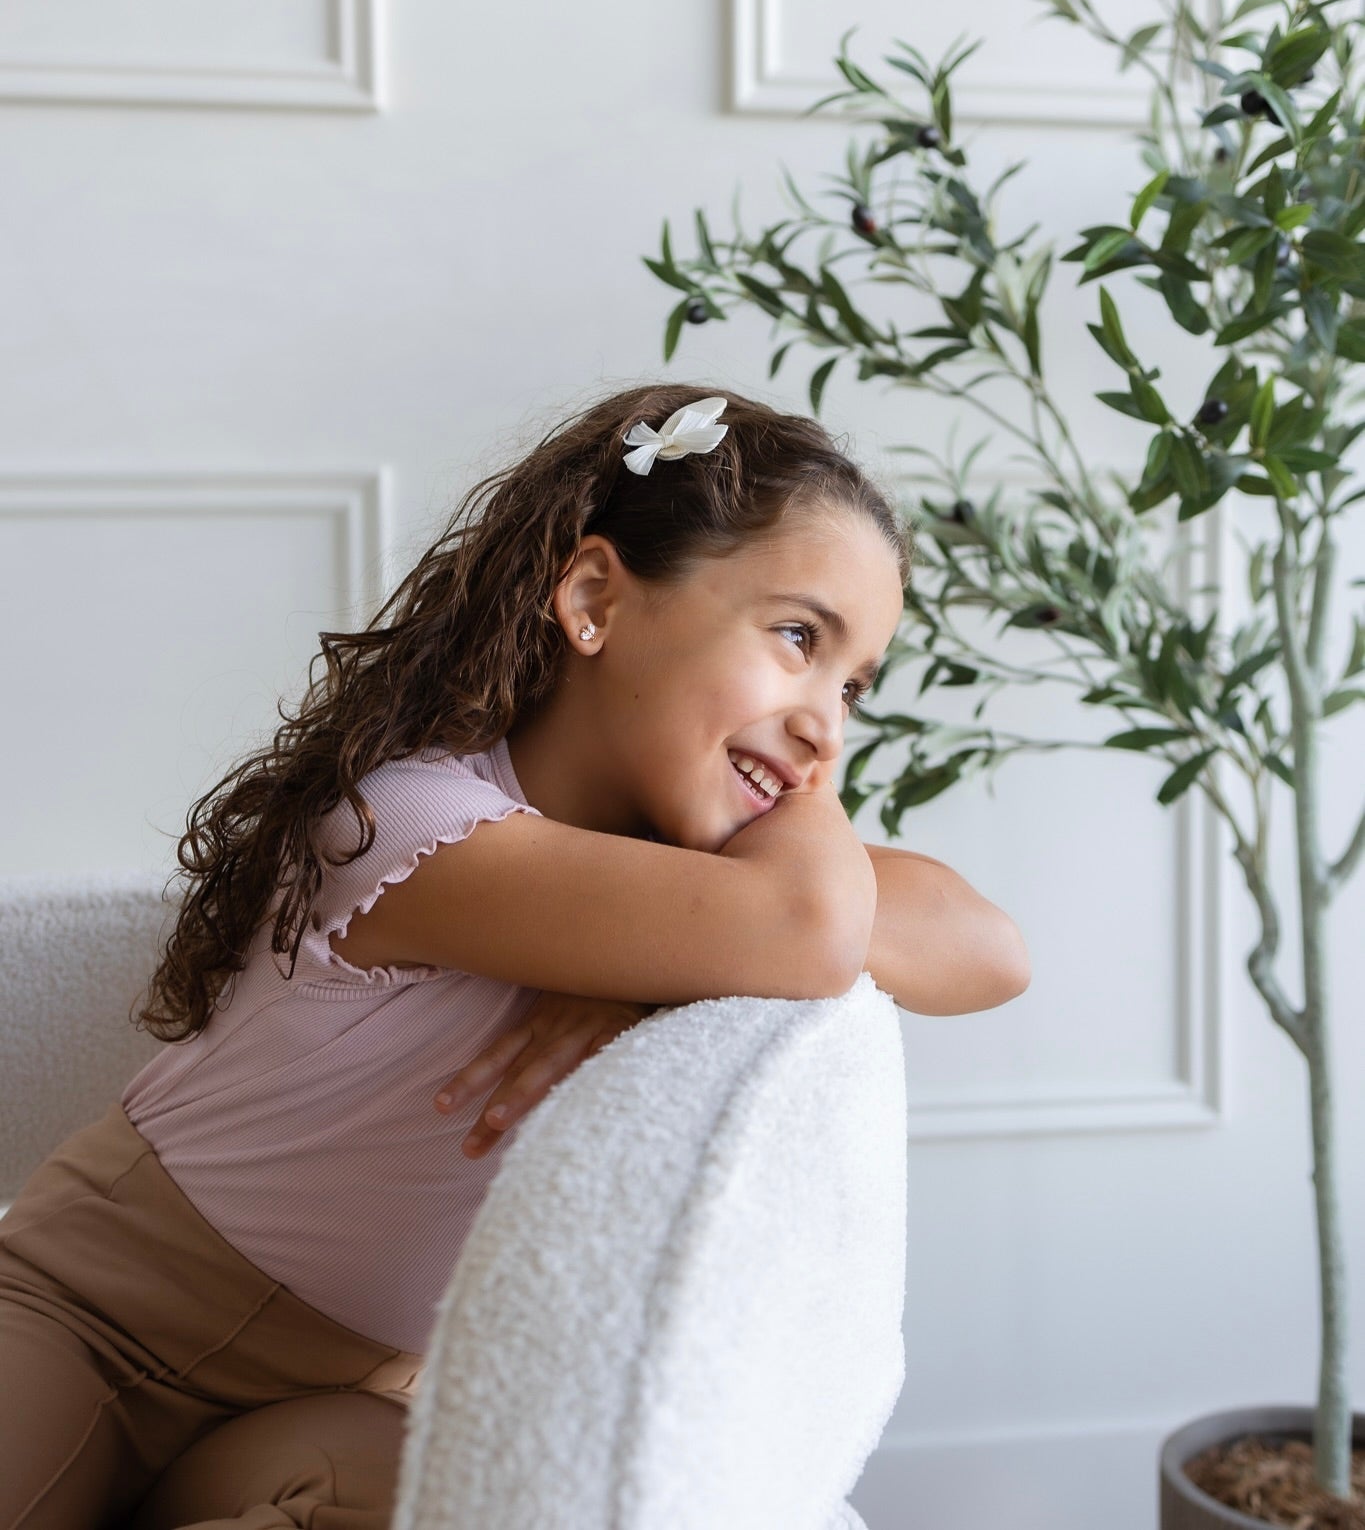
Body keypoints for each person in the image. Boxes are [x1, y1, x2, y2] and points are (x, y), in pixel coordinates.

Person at [0, 384, 1028, 1530]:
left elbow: (990, 947)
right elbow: (808, 928)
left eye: (853, 686)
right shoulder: (409, 818)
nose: (828, 725)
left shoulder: (699, 892)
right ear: (593, 599)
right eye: (798, 637)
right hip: (90, 1320)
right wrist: (726, 915)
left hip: (331, 1401)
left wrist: (656, 969)